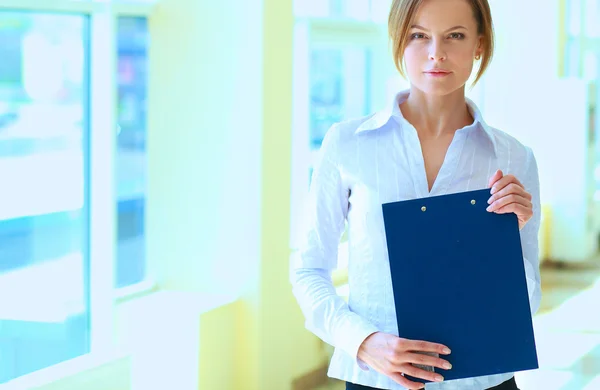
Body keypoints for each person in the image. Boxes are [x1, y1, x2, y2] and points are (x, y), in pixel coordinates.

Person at [290, 0, 541, 389]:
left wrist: (509, 237)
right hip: (376, 379)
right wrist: (364, 342)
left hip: (485, 381)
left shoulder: (513, 157)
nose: (436, 53)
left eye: (454, 35)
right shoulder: (347, 145)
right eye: (418, 36)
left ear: (479, 43)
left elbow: (528, 300)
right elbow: (308, 270)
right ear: (398, 41)